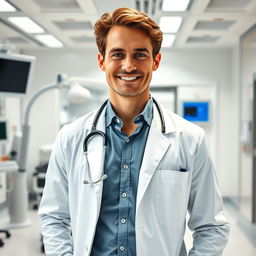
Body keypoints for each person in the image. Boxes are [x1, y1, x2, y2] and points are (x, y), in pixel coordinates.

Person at [38, 7, 230, 256]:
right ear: (102, 61)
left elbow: (212, 227)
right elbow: (54, 218)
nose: (128, 65)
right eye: (118, 54)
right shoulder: (71, 137)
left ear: (155, 61)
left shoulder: (190, 139)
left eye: (140, 54)